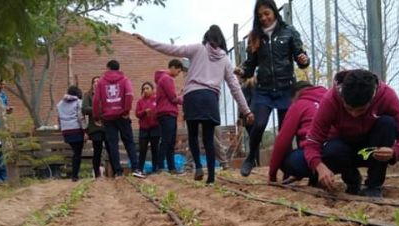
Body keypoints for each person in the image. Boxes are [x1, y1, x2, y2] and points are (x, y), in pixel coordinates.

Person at [134, 26, 254, 184]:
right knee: (208, 138)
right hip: (210, 98)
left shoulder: (198, 48)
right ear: (221, 40)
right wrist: (246, 111)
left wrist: (146, 41)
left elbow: (171, 49)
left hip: (192, 96)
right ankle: (211, 177)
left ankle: (198, 166)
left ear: (206, 37)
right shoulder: (225, 59)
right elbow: (235, 87)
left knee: (193, 135)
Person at [303, 69, 399, 198]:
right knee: (332, 150)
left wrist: (395, 151)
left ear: (373, 97)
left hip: (372, 149)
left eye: (361, 110)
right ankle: (352, 180)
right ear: (342, 96)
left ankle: (374, 185)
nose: (354, 114)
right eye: (348, 108)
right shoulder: (330, 100)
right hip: (344, 148)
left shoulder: (387, 96)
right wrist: (319, 166)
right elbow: (312, 141)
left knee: (387, 123)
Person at [238, 0, 310, 177]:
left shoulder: (289, 31)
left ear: (274, 12)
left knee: (285, 131)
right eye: (260, 15)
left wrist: (304, 59)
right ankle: (251, 157)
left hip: (286, 89)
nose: (264, 18)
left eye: (267, 14)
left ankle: (287, 169)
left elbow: (300, 57)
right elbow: (250, 66)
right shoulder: (255, 37)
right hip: (264, 89)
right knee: (259, 124)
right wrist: (242, 71)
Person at [268, 81, 327, 184]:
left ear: (295, 95)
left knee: (284, 160)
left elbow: (282, 141)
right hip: (335, 154)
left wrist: (272, 173)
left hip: (314, 154)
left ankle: (311, 173)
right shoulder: (329, 99)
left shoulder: (299, 104)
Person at [93, 60, 144, 178]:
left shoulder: (101, 82)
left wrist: (96, 116)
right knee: (129, 142)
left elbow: (96, 100)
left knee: (113, 144)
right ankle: (135, 168)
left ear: (108, 68)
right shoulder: (125, 80)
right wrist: (126, 111)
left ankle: (118, 172)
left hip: (108, 118)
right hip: (122, 116)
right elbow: (129, 95)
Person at [154, 59, 185, 173]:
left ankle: (171, 167)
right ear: (173, 67)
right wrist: (183, 98)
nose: (178, 74)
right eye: (178, 71)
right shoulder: (167, 79)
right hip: (167, 113)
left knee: (170, 141)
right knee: (167, 141)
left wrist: (178, 96)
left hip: (167, 113)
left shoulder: (163, 78)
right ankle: (161, 166)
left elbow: (170, 96)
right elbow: (173, 98)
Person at [57, 85, 86, 182]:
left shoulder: (60, 104)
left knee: (75, 152)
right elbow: (80, 117)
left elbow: (59, 119)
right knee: (77, 153)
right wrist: (85, 130)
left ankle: (74, 174)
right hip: (76, 130)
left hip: (66, 131)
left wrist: (61, 129)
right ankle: (75, 175)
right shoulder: (78, 102)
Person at [82, 76, 106, 178]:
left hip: (107, 126)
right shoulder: (88, 95)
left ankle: (113, 172)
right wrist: (98, 109)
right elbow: (84, 109)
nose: (96, 83)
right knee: (97, 150)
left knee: (110, 149)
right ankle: (97, 173)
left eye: (98, 81)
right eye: (94, 81)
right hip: (95, 128)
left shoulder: (106, 94)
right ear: (92, 84)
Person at [135, 82, 161, 174]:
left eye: (147, 88)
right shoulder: (140, 101)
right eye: (144, 89)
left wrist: (155, 113)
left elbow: (160, 111)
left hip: (155, 128)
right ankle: (139, 169)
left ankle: (155, 169)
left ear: (152, 90)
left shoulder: (157, 100)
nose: (145, 90)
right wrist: (144, 112)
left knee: (155, 149)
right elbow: (137, 113)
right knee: (142, 149)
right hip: (143, 129)